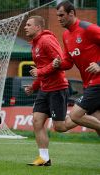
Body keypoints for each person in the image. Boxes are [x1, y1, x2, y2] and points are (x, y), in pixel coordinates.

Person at [23, 16, 77, 166]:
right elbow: (43, 69)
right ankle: (44, 158)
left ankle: (82, 117)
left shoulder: (46, 40)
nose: (25, 27)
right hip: (44, 90)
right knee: (36, 121)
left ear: (38, 27)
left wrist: (40, 73)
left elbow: (59, 62)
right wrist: (33, 87)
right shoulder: (34, 45)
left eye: (28, 25)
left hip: (57, 88)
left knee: (59, 127)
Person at [52, 1, 100, 133]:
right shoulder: (66, 35)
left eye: (61, 15)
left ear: (71, 13)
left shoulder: (87, 28)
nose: (58, 19)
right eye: (57, 16)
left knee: (75, 115)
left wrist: (99, 65)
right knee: (97, 123)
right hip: (88, 84)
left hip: (97, 82)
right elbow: (68, 62)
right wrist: (59, 64)